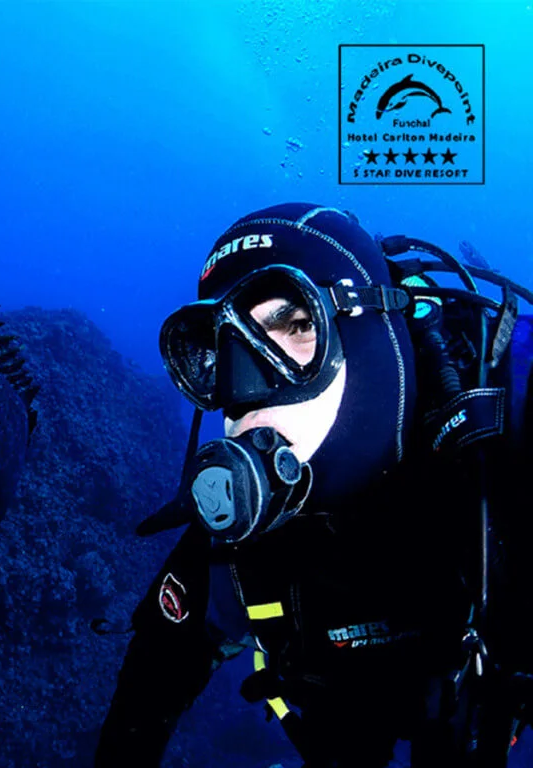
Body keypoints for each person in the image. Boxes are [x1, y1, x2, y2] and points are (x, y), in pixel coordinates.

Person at [94, 202, 532, 767]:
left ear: (372, 333)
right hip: (343, 714)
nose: (246, 390)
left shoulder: (505, 447)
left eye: (297, 325)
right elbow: (152, 681)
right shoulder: (237, 548)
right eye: (219, 349)